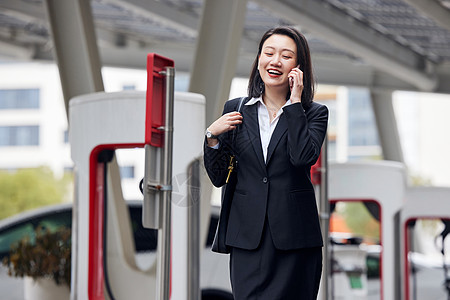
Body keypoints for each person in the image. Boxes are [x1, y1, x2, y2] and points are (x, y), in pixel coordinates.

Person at [203, 26, 328, 300]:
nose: (275, 61)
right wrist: (212, 136)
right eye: (269, 53)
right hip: (248, 237)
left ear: (298, 67)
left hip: (295, 240)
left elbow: (303, 157)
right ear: (259, 59)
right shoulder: (235, 109)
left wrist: (294, 103)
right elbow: (218, 176)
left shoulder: (314, 113)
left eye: (285, 56)